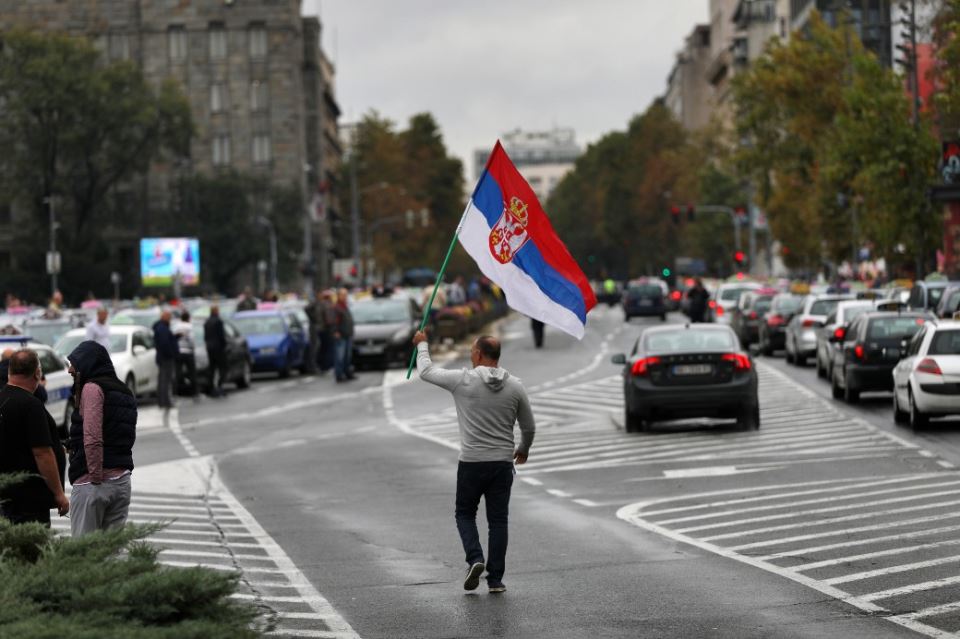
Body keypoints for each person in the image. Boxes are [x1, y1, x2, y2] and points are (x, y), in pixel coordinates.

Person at [412, 331, 535, 594]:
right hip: (502, 464)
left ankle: (475, 558)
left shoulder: (462, 380)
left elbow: (425, 371)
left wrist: (422, 343)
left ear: (479, 354)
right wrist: (523, 449)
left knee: (465, 513)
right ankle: (496, 580)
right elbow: (529, 426)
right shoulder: (515, 385)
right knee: (498, 521)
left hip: (471, 463)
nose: (470, 354)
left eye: (471, 351)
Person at [66, 340, 136, 537]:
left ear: (88, 364)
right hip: (122, 481)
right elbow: (122, 434)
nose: (70, 369)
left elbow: (93, 437)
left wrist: (95, 477)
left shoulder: (92, 388)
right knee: (110, 557)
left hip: (94, 483)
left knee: (83, 555)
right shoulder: (124, 391)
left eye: (74, 364)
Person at [0, 349, 69, 525]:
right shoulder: (31, 406)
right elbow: (42, 453)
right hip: (29, 500)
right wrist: (59, 494)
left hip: (5, 494)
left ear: (9, 371)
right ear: (37, 373)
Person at [152, 310, 179, 409]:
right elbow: (164, 344)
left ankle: (163, 401)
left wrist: (175, 338)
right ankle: (164, 402)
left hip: (163, 357)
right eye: (169, 317)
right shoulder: (162, 328)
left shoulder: (161, 327)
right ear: (164, 317)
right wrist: (171, 354)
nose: (170, 319)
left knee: (163, 380)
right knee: (165, 381)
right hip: (166, 358)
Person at [204, 305, 228, 397]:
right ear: (216, 311)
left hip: (210, 348)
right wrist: (224, 345)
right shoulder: (218, 321)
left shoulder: (207, 322)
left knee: (212, 369)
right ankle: (220, 386)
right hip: (218, 348)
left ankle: (211, 388)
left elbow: (205, 336)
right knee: (222, 368)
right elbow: (221, 336)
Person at [332, 288, 355, 382]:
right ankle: (339, 374)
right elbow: (334, 321)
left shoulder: (344, 306)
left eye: (346, 295)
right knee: (339, 356)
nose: (345, 297)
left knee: (347, 356)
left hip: (347, 334)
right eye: (343, 295)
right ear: (338, 296)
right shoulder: (337, 307)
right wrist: (335, 331)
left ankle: (347, 373)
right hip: (340, 335)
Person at [173, 309, 197, 397]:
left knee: (178, 372)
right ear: (188, 318)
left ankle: (176, 392)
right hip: (188, 351)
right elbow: (191, 340)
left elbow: (174, 338)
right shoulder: (190, 326)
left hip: (179, 351)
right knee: (192, 373)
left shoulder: (176, 326)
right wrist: (193, 348)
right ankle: (194, 392)